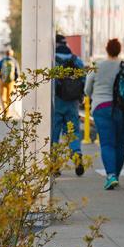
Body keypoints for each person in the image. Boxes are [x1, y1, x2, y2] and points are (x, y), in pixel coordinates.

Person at [84, 38, 124, 190]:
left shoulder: (97, 66)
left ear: (107, 49)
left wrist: (95, 95)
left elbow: (87, 89)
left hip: (102, 108)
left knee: (107, 143)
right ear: (119, 50)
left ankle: (111, 175)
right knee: (120, 144)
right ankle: (115, 176)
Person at [53, 34, 86, 176]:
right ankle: (76, 153)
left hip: (56, 103)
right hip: (72, 103)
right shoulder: (76, 60)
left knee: (54, 134)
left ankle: (54, 165)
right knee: (73, 133)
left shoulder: (52, 60)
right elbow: (83, 79)